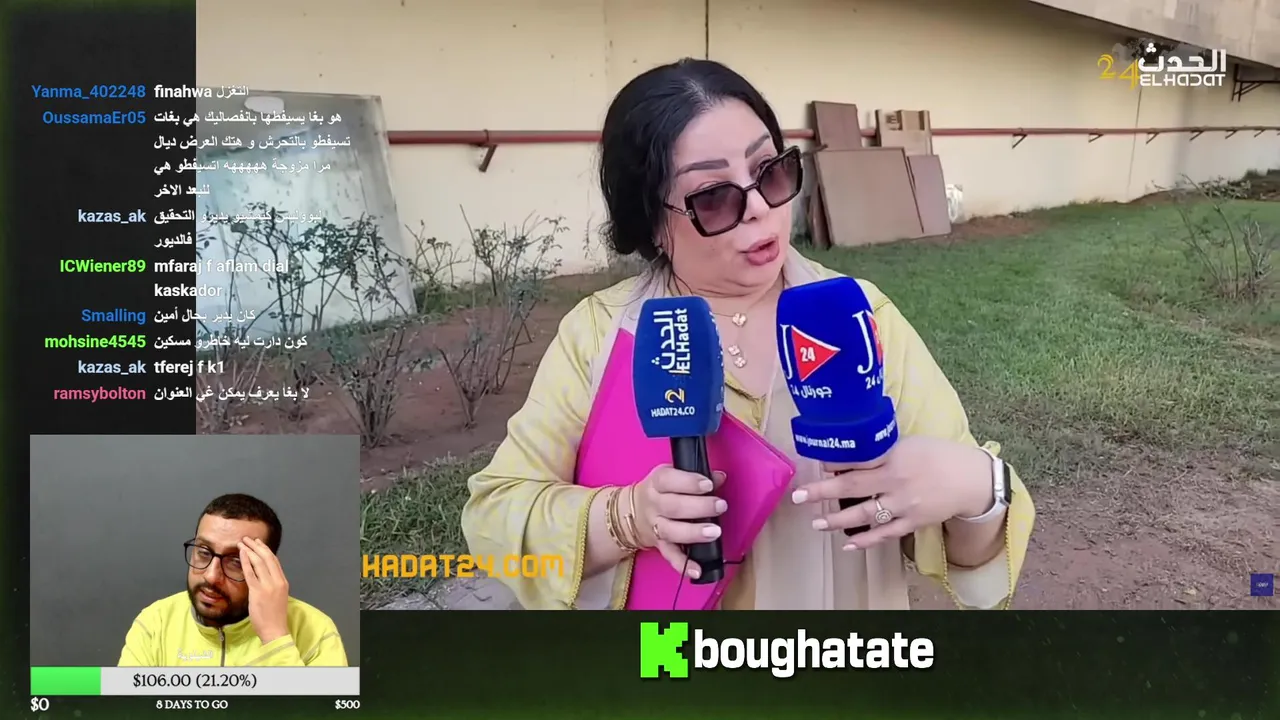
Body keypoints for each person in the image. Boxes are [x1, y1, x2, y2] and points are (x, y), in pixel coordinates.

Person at [461, 58, 1035, 610]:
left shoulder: (858, 316)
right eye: (714, 197)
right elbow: (497, 520)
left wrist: (975, 489)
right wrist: (628, 517)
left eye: (770, 171)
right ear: (652, 222)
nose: (760, 207)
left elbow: (971, 553)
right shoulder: (602, 335)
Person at [118, 493, 348, 666]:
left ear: (266, 566)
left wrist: (275, 636)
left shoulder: (315, 630)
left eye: (236, 562)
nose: (211, 576)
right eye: (203, 552)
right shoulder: (155, 623)